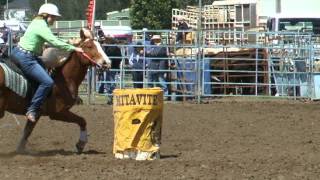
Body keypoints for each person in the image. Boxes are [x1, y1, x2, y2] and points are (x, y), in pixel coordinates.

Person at [10, 3, 83, 122]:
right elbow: (53, 41)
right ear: (46, 15)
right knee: (48, 82)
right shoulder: (42, 26)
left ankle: (39, 98)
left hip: (18, 53)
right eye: (53, 17)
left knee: (47, 68)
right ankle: (32, 109)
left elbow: (51, 39)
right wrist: (74, 48)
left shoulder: (36, 22)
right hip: (27, 58)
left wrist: (70, 42)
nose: (54, 19)